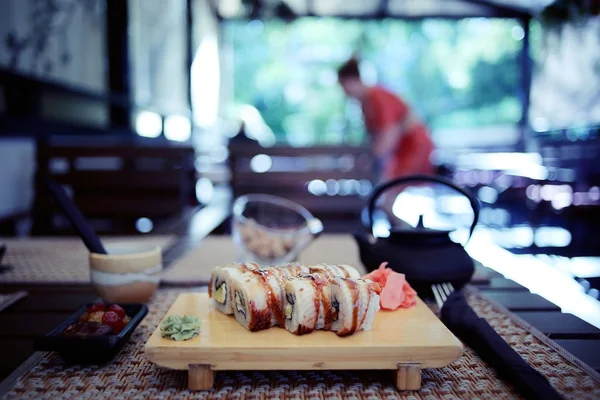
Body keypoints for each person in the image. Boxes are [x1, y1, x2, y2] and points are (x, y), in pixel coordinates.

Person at [337, 56, 436, 221]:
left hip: (413, 147)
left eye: (343, 85)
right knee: (384, 201)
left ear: (353, 80)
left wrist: (369, 161)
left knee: (386, 201)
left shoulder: (377, 96)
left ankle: (410, 238)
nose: (344, 91)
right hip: (401, 151)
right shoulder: (365, 103)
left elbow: (388, 135)